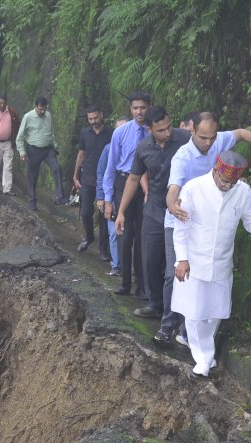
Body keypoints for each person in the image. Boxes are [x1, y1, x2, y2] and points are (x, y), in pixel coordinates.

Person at [172, 151, 251, 377]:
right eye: (224, 181)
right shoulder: (193, 188)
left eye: (232, 182)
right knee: (193, 313)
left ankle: (205, 356)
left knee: (214, 313)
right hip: (194, 261)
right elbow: (181, 226)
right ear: (215, 171)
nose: (227, 186)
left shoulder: (242, 191)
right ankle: (202, 360)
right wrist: (182, 259)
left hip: (221, 261)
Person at [161, 111, 251, 345]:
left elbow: (241, 133)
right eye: (203, 138)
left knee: (210, 277)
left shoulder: (220, 143)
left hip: (212, 219)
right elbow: (173, 188)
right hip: (183, 216)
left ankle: (192, 333)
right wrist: (172, 206)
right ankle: (168, 325)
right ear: (191, 131)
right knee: (175, 274)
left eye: (212, 138)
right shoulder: (183, 157)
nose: (208, 143)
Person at [115, 106, 189, 322]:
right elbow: (133, 179)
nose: (168, 133)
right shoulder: (144, 147)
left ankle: (177, 310)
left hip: (182, 209)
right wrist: (121, 212)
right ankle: (155, 304)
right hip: (155, 209)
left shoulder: (185, 139)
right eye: (161, 130)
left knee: (173, 264)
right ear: (149, 130)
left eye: (169, 127)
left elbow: (209, 152)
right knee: (150, 259)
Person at [102, 91, 151, 297]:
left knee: (143, 235)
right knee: (125, 234)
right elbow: (110, 167)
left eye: (143, 107)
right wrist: (107, 199)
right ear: (130, 110)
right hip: (123, 182)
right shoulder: (120, 133)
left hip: (147, 186)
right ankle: (124, 281)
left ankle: (142, 284)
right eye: (135, 108)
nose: (139, 111)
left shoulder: (154, 131)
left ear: (148, 108)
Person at [73, 105, 113, 254]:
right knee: (85, 212)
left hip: (105, 178)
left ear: (101, 115)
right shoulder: (84, 133)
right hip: (88, 177)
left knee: (104, 215)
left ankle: (103, 249)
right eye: (90, 119)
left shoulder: (111, 133)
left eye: (95, 118)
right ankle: (89, 237)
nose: (93, 121)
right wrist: (76, 175)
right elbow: (81, 154)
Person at [16, 96, 67, 210]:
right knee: (32, 176)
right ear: (36, 107)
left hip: (48, 149)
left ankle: (59, 196)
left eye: (44, 109)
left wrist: (54, 144)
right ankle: (32, 200)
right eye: (40, 109)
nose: (42, 111)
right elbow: (19, 137)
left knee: (57, 168)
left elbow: (50, 131)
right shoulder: (28, 117)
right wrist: (22, 152)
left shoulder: (48, 115)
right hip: (33, 150)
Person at [96, 117, 129, 276]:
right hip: (111, 194)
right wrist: (101, 197)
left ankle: (128, 267)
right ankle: (116, 265)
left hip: (128, 193)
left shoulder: (135, 149)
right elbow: (102, 173)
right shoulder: (108, 149)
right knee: (113, 231)